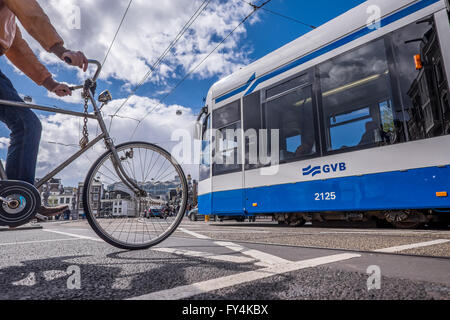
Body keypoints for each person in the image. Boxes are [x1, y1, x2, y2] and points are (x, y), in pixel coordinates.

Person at [0, 0, 88, 217]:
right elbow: (32, 15)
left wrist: (50, 83)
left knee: (26, 124)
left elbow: (19, 50)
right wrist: (61, 50)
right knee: (26, 124)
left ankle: (18, 202)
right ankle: (20, 200)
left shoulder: (8, 21)